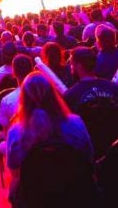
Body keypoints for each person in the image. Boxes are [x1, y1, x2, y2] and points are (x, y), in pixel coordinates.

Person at [5, 73, 93, 201]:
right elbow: (89, 159)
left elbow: (15, 174)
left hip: (35, 200)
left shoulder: (15, 133)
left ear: (23, 99)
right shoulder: (76, 123)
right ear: (53, 95)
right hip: (75, 196)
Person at [64, 47, 118, 112]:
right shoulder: (115, 88)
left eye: (72, 64)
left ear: (79, 66)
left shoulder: (71, 95)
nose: (71, 67)